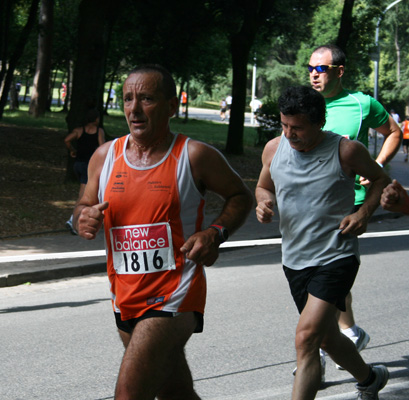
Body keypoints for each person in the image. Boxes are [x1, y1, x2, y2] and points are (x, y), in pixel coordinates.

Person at [74, 64, 253, 399]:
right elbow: (82, 205)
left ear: (171, 107)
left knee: (129, 394)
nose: (134, 109)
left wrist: (215, 232)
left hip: (175, 293)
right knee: (175, 394)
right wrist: (81, 218)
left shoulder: (194, 155)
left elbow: (241, 195)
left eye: (146, 99)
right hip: (123, 293)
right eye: (127, 99)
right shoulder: (104, 157)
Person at [256, 86, 391, 400]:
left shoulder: (346, 151)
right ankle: (369, 378)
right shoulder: (274, 149)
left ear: (319, 122)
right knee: (327, 337)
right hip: (293, 259)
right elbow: (264, 187)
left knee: (306, 339)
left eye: (298, 128)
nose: (290, 134)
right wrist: (263, 203)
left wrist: (364, 214)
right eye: (285, 125)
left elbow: (381, 180)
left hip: (336, 256)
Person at [308, 44, 401, 372]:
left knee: (323, 277)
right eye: (310, 69)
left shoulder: (361, 103)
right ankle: (349, 331)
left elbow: (393, 132)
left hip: (350, 204)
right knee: (328, 276)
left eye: (321, 69)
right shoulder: (307, 105)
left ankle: (316, 350)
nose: (314, 75)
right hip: (311, 204)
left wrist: (376, 163)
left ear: (339, 71)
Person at [64, 109, 105, 234]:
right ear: (96, 119)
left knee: (87, 194)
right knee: (82, 197)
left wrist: (72, 149)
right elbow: (102, 147)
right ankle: (73, 220)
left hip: (77, 165)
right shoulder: (99, 131)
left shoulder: (80, 130)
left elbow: (67, 139)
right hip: (89, 167)